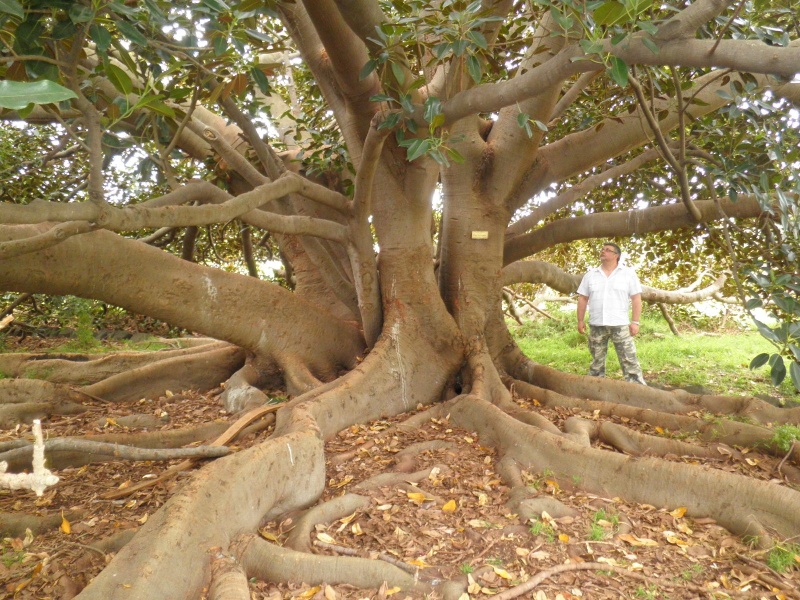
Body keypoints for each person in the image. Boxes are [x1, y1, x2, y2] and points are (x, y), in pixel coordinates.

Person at [576, 242, 646, 385]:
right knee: (597, 360)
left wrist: (635, 322)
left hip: (620, 325)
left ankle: (637, 387)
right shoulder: (590, 275)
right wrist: (580, 320)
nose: (603, 251)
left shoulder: (628, 274)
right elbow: (583, 298)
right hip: (597, 325)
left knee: (629, 359)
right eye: (602, 249)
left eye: (608, 250)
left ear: (616, 256)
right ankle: (595, 387)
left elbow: (636, 299)